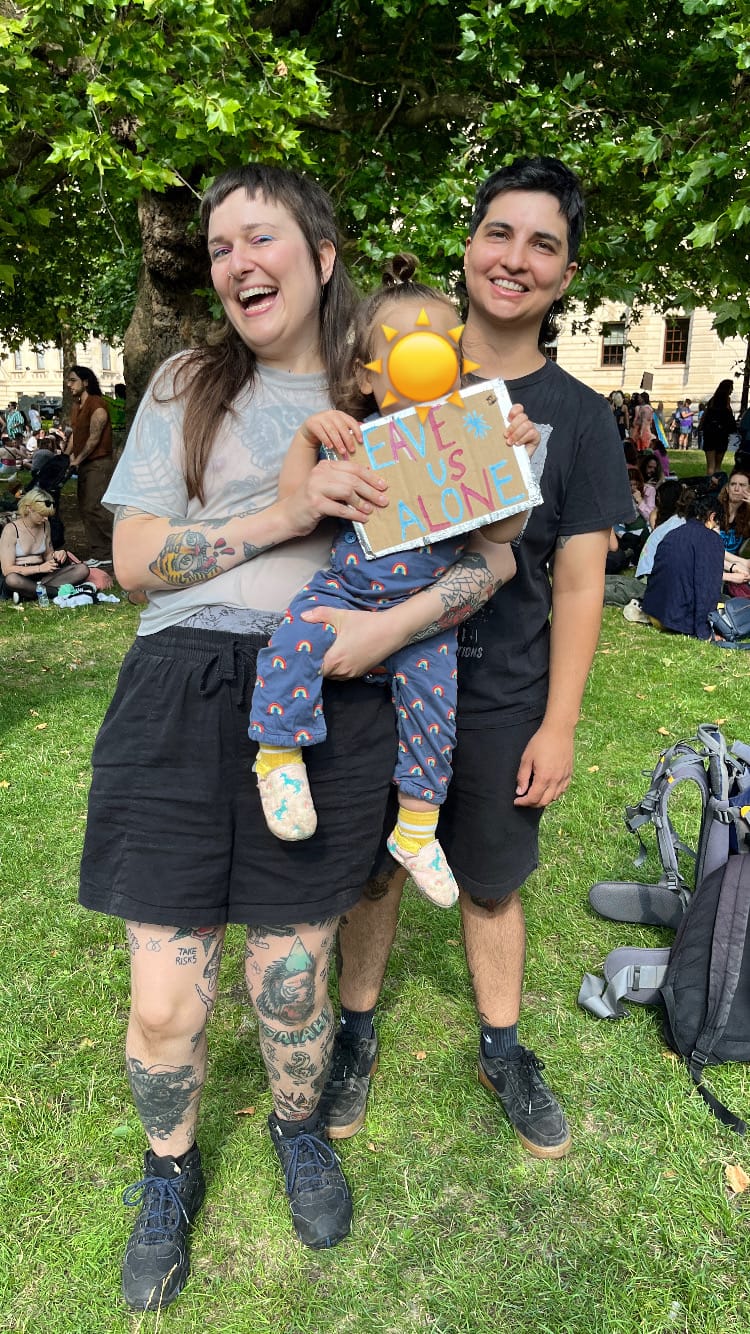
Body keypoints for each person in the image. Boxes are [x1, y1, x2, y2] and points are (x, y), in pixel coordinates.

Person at [77, 164, 516, 1312]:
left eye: (258, 236)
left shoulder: (397, 384)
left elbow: (493, 558)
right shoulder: (188, 382)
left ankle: (297, 1126)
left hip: (331, 694)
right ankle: (169, 1170)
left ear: (322, 257)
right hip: (178, 686)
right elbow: (134, 565)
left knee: (291, 974)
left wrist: (387, 632)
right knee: (166, 998)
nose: (234, 262)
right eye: (220, 245)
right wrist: (285, 511)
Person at [316, 156, 633, 1158]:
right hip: (379, 680)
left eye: (544, 245)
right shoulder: (394, 380)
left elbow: (578, 584)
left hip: (501, 691)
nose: (515, 258)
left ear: (566, 275)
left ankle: (503, 1047)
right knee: (374, 871)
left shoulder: (580, 418)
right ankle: (353, 1033)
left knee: (493, 880)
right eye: (500, 232)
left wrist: (560, 722)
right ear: (468, 247)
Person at [249, 254, 538, 909]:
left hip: (425, 619)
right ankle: (278, 756)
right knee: (294, 638)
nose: (424, 360)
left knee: (436, 709)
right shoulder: (353, 439)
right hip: (345, 590)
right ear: (365, 373)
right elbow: (294, 507)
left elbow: (501, 535)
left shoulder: (474, 435)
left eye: (441, 348)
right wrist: (307, 438)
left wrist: (513, 460)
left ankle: (416, 829)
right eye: (405, 346)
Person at [641, 491, 725, 638]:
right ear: (712, 517)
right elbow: (707, 587)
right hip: (679, 622)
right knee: (730, 603)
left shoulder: (672, 534)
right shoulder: (711, 539)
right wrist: (705, 631)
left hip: (654, 612)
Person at [0, 488, 89, 601]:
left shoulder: (45, 525)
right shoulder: (11, 529)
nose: (46, 518)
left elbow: (48, 556)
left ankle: (30, 594)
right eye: (42, 514)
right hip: (21, 576)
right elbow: (7, 570)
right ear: (29, 508)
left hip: (42, 577)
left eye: (47, 515)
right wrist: (39, 568)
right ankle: (56, 592)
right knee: (12, 579)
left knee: (82, 569)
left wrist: (57, 555)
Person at [66, 365, 115, 566]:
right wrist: (66, 457)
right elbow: (75, 435)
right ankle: (100, 552)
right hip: (84, 464)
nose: (69, 384)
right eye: (68, 381)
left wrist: (77, 460)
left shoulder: (97, 405)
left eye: (73, 380)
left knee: (96, 506)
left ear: (85, 382)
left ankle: (115, 550)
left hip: (99, 463)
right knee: (85, 508)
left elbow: (94, 438)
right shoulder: (76, 406)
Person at [717, 467, 750, 597]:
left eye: (742, 485)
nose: (736, 488)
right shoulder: (715, 510)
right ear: (727, 488)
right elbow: (711, 549)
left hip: (735, 565)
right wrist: (742, 563)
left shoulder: (747, 514)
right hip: (716, 562)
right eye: (733, 484)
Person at [701, 379, 737, 477]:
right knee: (717, 466)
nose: (732, 390)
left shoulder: (712, 401)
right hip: (721, 435)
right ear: (727, 389)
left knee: (710, 466)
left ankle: (709, 482)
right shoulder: (726, 402)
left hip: (709, 434)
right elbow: (729, 419)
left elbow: (706, 417)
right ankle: (716, 483)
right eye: (731, 388)